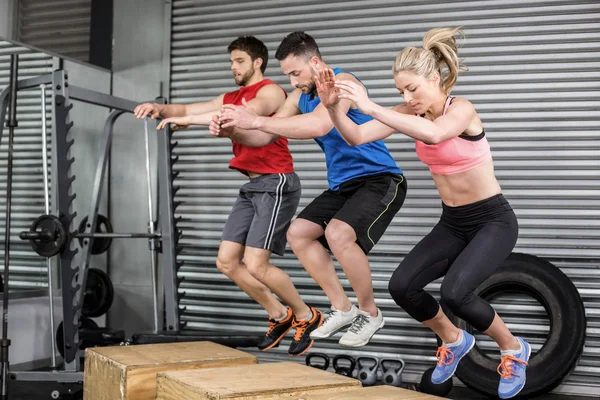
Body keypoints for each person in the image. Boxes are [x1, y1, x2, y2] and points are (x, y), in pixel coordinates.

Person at [315, 27, 530, 398]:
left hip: (492, 220)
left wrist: (370, 106)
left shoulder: (461, 109)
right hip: (454, 222)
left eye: (412, 88)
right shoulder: (403, 113)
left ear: (434, 77)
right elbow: (355, 136)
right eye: (401, 91)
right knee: (402, 286)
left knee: (456, 293)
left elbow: (434, 135)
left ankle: (513, 348)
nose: (407, 97)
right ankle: (453, 338)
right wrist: (333, 105)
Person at [212, 32, 407, 348]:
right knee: (298, 233)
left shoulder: (341, 82)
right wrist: (233, 130)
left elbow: (320, 125)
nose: (292, 81)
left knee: (338, 234)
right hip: (343, 185)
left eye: (295, 73)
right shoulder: (299, 96)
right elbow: (264, 138)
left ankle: (370, 313)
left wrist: (257, 121)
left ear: (314, 62)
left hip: (380, 178)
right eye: (287, 74)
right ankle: (342, 308)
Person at [134, 36, 321, 356]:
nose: (233, 67)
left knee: (256, 264)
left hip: (275, 182)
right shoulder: (231, 95)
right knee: (227, 262)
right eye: (231, 61)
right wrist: (160, 108)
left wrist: (190, 120)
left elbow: (246, 113)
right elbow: (189, 107)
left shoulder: (271, 91)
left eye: (239, 61)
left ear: (257, 62)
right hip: (251, 187)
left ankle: (307, 316)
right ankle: (279, 314)